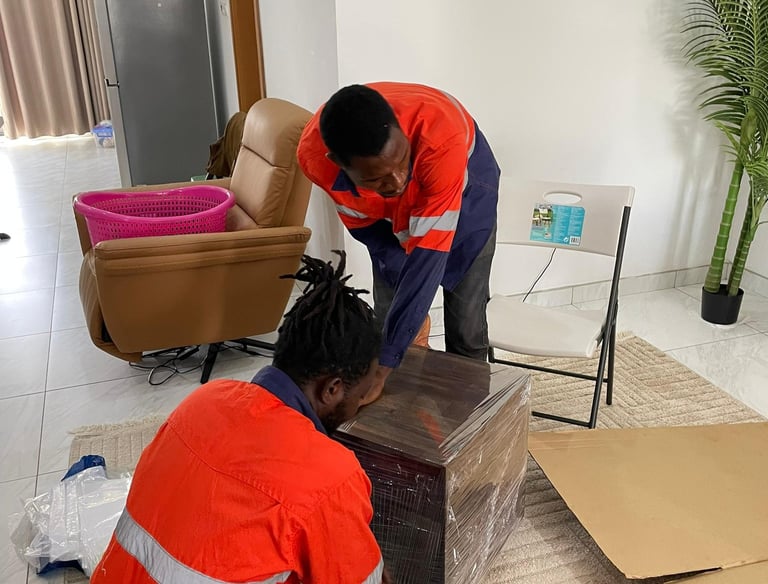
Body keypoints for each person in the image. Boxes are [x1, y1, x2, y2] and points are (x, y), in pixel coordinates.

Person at [91, 251, 391, 584]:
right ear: (332, 388)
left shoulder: (203, 400)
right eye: (361, 393)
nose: (361, 403)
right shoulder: (330, 479)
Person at [297, 82, 500, 404]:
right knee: (389, 315)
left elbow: (428, 259)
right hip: (387, 220)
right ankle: (400, 420)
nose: (396, 181)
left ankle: (471, 425)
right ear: (337, 162)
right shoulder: (314, 160)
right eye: (376, 177)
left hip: (466, 193)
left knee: (466, 324)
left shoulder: (439, 138)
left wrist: (384, 365)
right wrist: (402, 328)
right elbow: (367, 227)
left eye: (401, 161)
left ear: (402, 135)